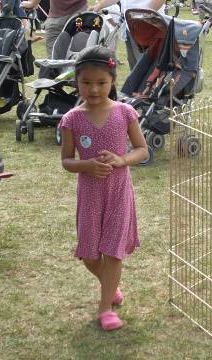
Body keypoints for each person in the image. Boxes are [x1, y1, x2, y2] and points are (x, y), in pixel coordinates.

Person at [59, 46, 148, 331]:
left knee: (113, 250)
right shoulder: (72, 118)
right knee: (89, 254)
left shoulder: (125, 112)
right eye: (86, 83)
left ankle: (105, 307)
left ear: (112, 80)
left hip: (118, 192)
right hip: (90, 195)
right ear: (76, 82)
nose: (94, 89)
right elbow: (67, 160)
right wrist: (86, 165)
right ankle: (110, 286)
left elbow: (142, 150)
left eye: (101, 82)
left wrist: (122, 159)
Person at [91, 0, 166, 70]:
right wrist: (99, 6)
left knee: (149, 69)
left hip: (149, 27)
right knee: (135, 68)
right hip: (131, 27)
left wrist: (144, 16)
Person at [20, 0, 88, 57]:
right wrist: (97, 7)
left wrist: (32, 3)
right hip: (80, 16)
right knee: (81, 56)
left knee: (53, 59)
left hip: (57, 19)